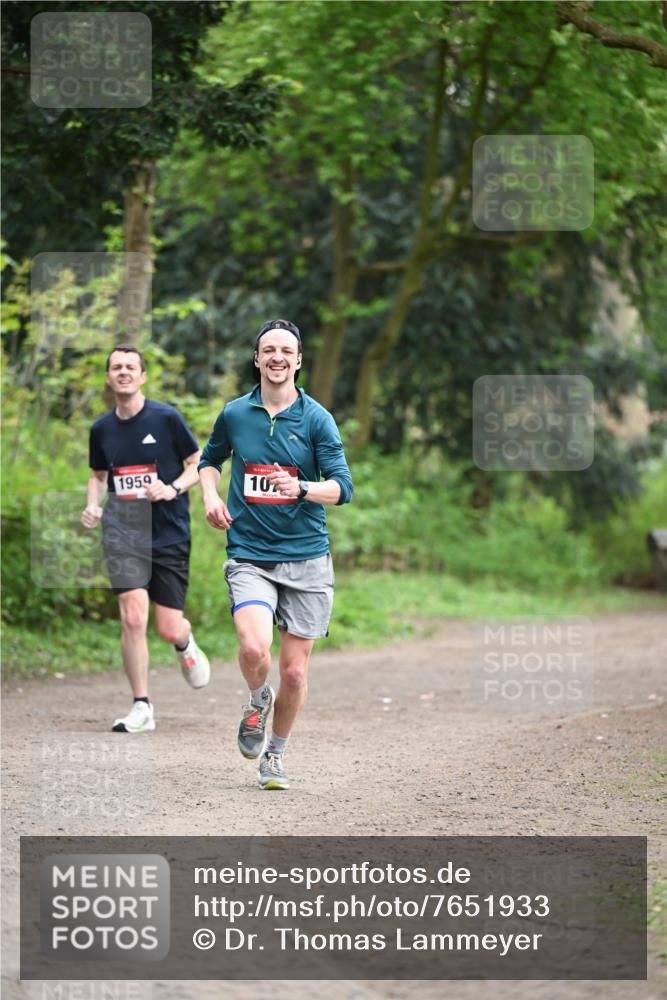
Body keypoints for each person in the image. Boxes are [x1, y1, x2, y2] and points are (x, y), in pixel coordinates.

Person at [198, 319, 353, 790]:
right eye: (269, 350)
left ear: (299, 360)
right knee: (253, 647)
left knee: (295, 671)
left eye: (286, 350)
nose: (277, 358)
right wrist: (210, 497)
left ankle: (275, 756)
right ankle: (255, 699)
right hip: (250, 553)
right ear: (258, 358)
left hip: (306, 558)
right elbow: (209, 461)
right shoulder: (235, 414)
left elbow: (342, 488)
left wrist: (302, 487)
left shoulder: (317, 418)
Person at [81, 345, 210, 733]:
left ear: (142, 376)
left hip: (168, 532)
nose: (123, 372)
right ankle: (142, 705)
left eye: (130, 367)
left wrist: (172, 488)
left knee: (167, 627)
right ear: (108, 377)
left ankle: (184, 642)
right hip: (123, 531)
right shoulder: (101, 429)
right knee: (133, 615)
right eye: (116, 367)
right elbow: (98, 476)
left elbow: (198, 463)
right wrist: (93, 505)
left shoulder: (166, 418)